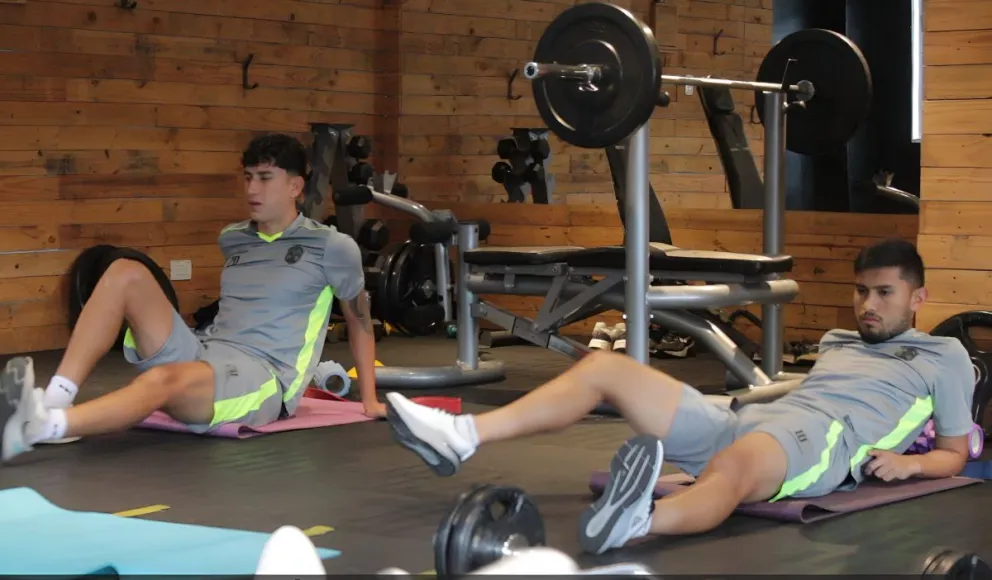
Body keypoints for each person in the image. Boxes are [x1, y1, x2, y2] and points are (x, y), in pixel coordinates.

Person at [383, 239, 975, 555]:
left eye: (884, 293)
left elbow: (955, 452)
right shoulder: (838, 339)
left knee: (733, 467)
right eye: (861, 291)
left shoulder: (944, 357)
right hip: (757, 415)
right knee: (606, 367)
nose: (867, 305)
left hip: (822, 441)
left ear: (917, 298)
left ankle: (640, 520)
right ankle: (461, 436)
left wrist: (911, 463)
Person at [0, 133, 384, 463]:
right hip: (205, 351)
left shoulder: (332, 247)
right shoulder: (233, 237)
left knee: (164, 379)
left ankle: (38, 427)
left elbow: (360, 322)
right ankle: (57, 398)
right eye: (248, 177)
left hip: (262, 378)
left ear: (295, 187)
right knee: (124, 272)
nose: (252, 189)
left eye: (265, 178)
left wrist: (368, 400)